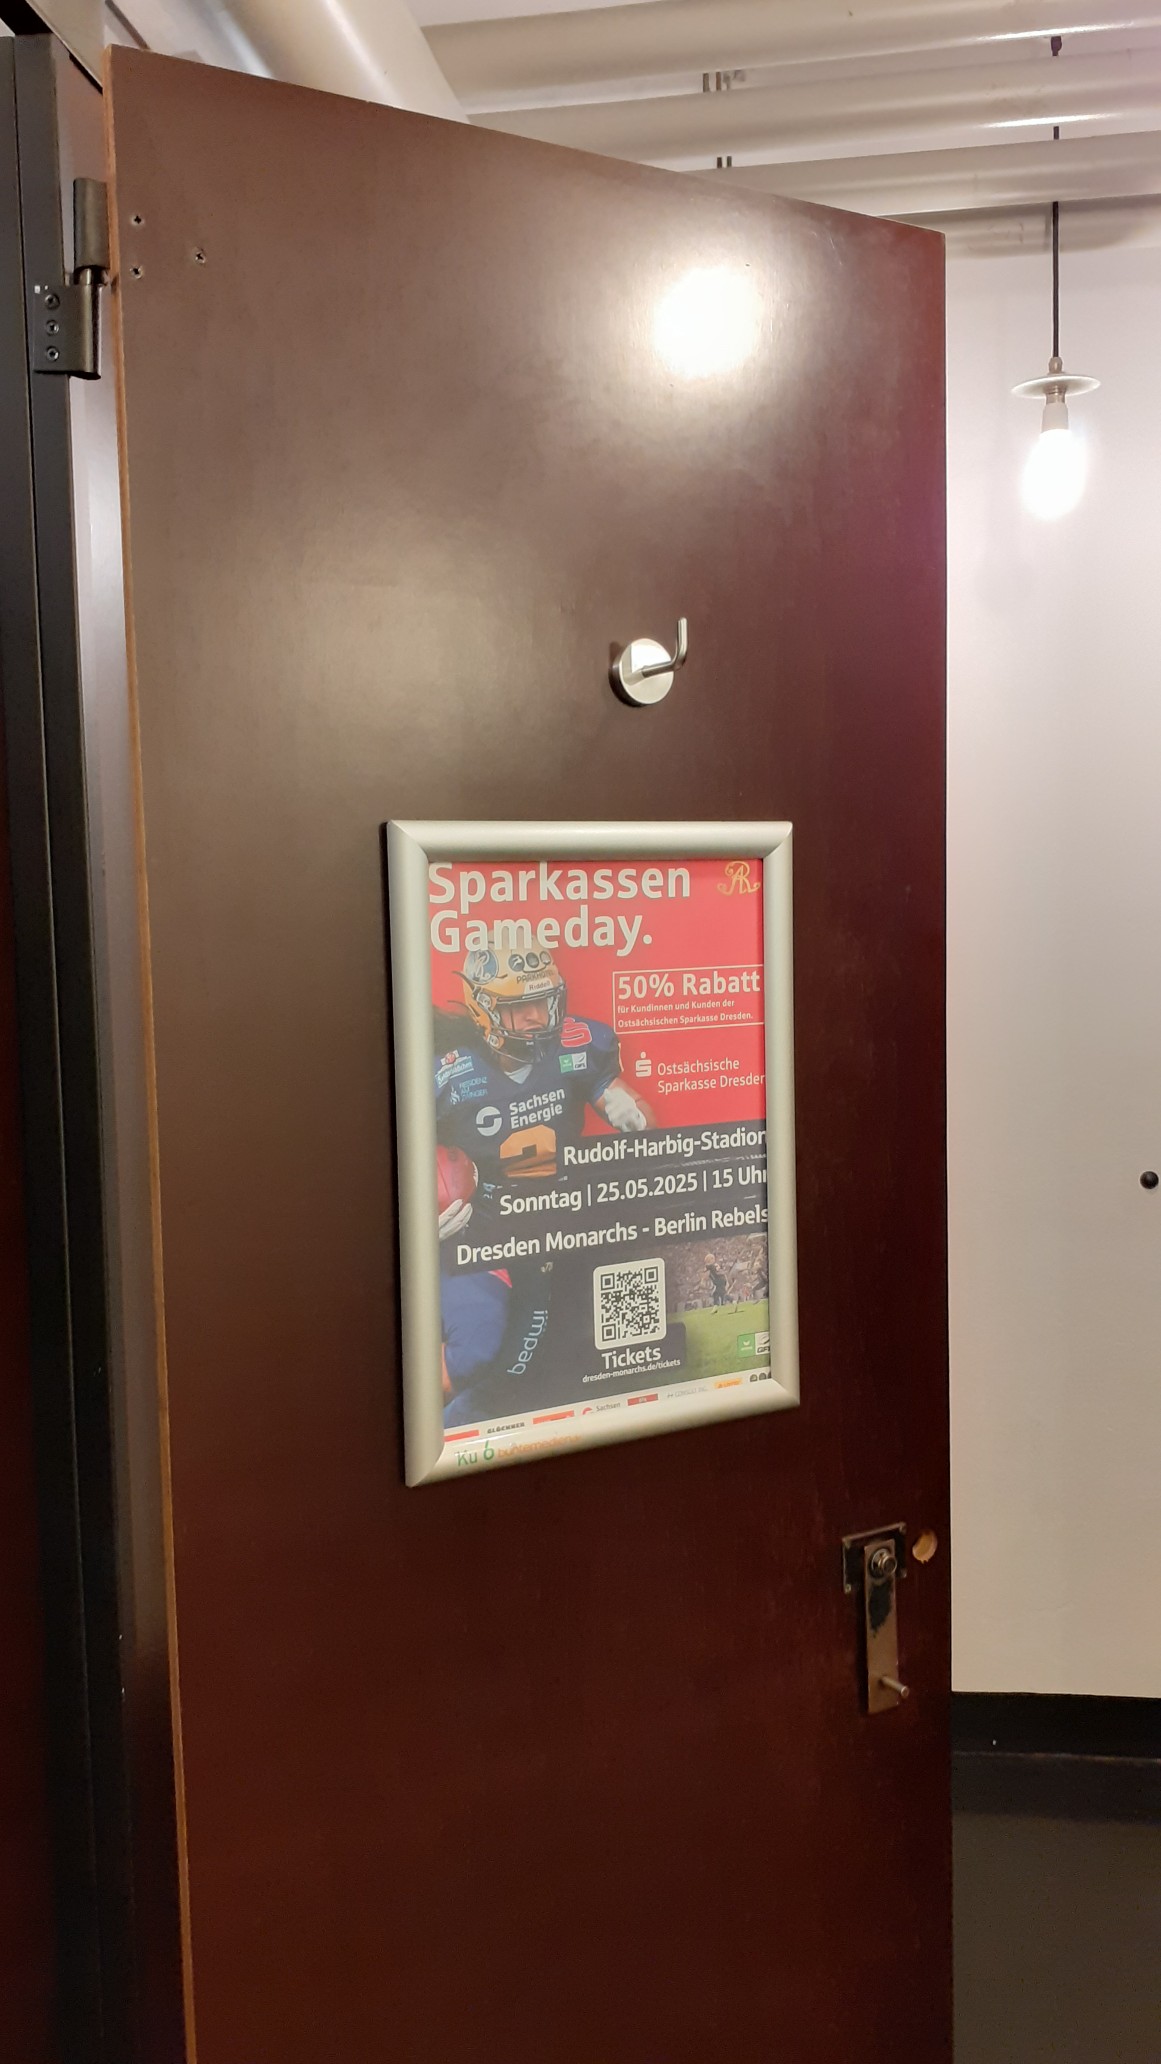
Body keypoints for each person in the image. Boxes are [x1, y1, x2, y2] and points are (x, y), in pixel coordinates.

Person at [435, 940, 653, 1420]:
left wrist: (633, 1111)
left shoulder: (577, 1044)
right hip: (480, 1232)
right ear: (484, 1010)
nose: (538, 1016)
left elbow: (628, 1103)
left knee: (546, 1366)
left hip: (556, 1225)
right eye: (521, 1007)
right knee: (481, 1349)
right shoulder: (448, 1071)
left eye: (544, 1001)